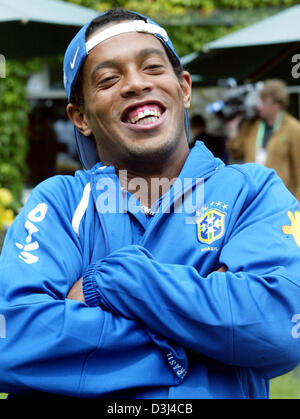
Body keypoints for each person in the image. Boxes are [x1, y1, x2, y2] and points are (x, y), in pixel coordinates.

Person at [0, 9, 300, 400]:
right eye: (108, 79)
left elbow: (277, 328)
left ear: (184, 88)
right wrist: (204, 335)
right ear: (80, 117)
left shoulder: (252, 192)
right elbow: (14, 340)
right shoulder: (59, 203)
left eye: (153, 67)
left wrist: (108, 282)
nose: (136, 84)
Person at [226, 79, 300, 202]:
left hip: (280, 199)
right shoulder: (251, 125)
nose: (259, 106)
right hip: (253, 196)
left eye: (264, 102)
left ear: (277, 105)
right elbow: (236, 153)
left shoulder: (293, 128)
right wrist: (232, 129)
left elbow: (298, 169)